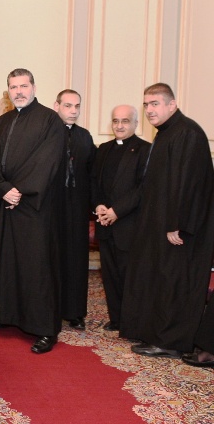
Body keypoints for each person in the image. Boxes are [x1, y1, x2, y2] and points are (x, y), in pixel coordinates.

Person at [121, 83, 214, 358]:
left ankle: (171, 342)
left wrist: (178, 223)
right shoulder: (167, 133)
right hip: (163, 225)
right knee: (161, 279)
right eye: (146, 105)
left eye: (155, 104)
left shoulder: (187, 133)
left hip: (181, 230)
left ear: (172, 105)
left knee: (175, 283)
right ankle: (157, 334)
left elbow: (190, 184)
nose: (149, 110)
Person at [0, 68, 65, 354]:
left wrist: (19, 190)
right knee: (7, 264)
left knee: (37, 267)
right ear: (8, 91)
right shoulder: (2, 122)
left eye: (23, 86)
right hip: (8, 206)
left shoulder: (50, 120)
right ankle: (6, 315)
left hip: (35, 208)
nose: (18, 91)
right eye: (13, 87)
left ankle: (44, 328)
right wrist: (3, 188)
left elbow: (48, 160)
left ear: (33, 87)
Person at [91, 105, 150, 332]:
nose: (120, 125)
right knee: (110, 275)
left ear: (135, 124)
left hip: (129, 224)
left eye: (125, 121)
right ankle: (116, 319)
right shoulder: (103, 149)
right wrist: (98, 206)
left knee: (130, 278)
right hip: (105, 224)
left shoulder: (145, 150)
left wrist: (116, 211)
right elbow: (94, 182)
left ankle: (131, 323)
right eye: (116, 121)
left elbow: (142, 188)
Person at [53, 89, 96, 331]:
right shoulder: (47, 133)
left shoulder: (85, 136)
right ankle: (52, 308)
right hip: (53, 207)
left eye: (77, 106)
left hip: (78, 208)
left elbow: (92, 173)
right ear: (57, 106)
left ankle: (75, 312)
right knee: (53, 259)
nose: (73, 111)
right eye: (68, 105)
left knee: (77, 261)